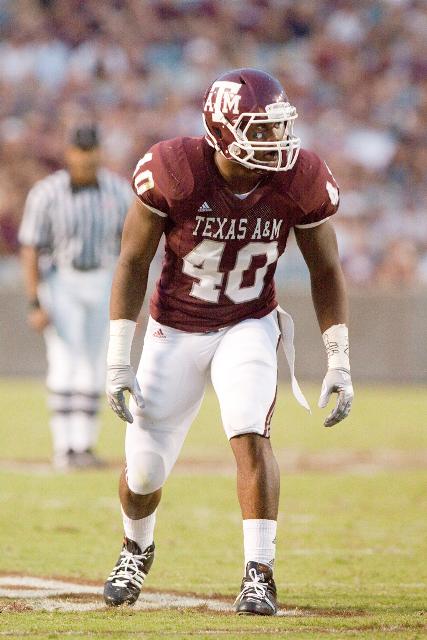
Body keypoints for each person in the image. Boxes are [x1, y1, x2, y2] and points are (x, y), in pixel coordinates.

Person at [103, 68, 354, 615]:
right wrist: (119, 357)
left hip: (248, 322)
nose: (275, 142)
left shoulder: (300, 177)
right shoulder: (175, 170)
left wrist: (339, 358)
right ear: (221, 130)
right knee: (144, 470)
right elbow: (132, 261)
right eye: (260, 131)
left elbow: (326, 269)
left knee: (249, 431)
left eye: (278, 128)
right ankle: (135, 547)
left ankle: (259, 573)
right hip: (174, 327)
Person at [19, 125, 133, 470]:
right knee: (64, 359)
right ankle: (63, 446)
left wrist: (131, 299)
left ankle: (82, 445)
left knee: (94, 361)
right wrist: (34, 300)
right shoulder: (47, 193)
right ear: (69, 153)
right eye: (81, 149)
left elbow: (132, 249)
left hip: (102, 278)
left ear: (99, 151)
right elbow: (30, 247)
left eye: (91, 149)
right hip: (61, 280)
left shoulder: (118, 190)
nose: (86, 156)